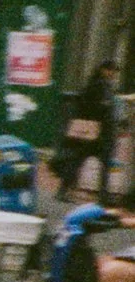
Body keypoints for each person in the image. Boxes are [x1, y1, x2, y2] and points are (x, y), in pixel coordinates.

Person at [51, 56, 120, 199]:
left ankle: (65, 191)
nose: (113, 74)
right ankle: (102, 195)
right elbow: (100, 108)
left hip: (91, 132)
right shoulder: (100, 85)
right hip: (96, 132)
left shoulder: (96, 84)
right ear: (103, 70)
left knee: (80, 161)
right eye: (111, 70)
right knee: (95, 163)